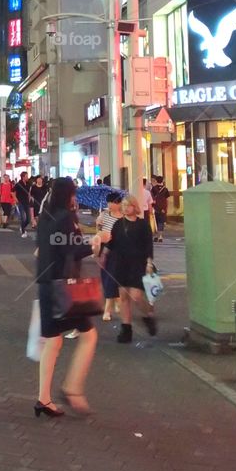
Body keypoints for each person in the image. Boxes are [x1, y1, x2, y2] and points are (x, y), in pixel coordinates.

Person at [35, 176, 98, 418]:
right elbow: (73, 249)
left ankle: (44, 398)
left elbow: (44, 248)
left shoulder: (45, 217)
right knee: (89, 336)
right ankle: (72, 388)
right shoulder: (66, 218)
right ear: (69, 195)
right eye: (74, 193)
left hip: (45, 284)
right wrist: (96, 242)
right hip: (64, 287)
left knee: (53, 341)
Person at [100, 194, 157, 343]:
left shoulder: (143, 224)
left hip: (138, 263)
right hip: (120, 263)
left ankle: (148, 315)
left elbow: (148, 245)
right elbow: (111, 242)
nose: (125, 208)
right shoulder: (118, 224)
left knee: (136, 296)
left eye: (128, 205)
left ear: (135, 206)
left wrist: (149, 262)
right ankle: (126, 329)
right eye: (123, 205)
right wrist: (104, 254)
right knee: (123, 297)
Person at [95, 192, 123, 321]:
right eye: (108, 202)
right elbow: (98, 232)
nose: (109, 205)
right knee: (106, 277)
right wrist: (98, 225)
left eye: (112, 202)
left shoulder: (123, 217)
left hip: (118, 250)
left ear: (118, 203)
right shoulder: (104, 214)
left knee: (112, 278)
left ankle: (108, 309)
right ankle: (115, 300)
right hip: (104, 248)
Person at [151, 175, 169, 243]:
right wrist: (165, 208)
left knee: (156, 222)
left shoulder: (153, 189)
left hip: (155, 207)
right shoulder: (165, 189)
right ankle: (160, 236)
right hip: (163, 208)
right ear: (162, 181)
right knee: (161, 222)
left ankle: (156, 235)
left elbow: (152, 198)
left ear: (156, 181)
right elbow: (167, 199)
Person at [14, 171, 31, 238]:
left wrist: (29, 197)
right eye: (26, 176)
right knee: (23, 217)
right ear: (23, 177)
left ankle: (22, 227)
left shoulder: (28, 183)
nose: (27, 177)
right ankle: (23, 232)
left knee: (28, 219)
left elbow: (29, 192)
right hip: (20, 202)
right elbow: (12, 192)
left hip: (27, 202)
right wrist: (15, 199)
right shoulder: (18, 184)